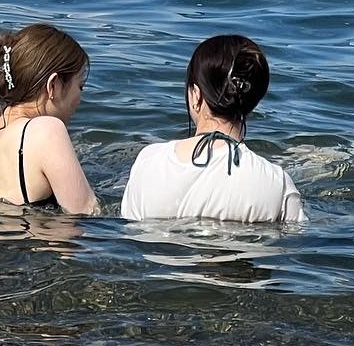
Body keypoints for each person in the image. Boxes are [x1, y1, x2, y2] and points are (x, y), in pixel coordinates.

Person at [121, 34, 306, 225]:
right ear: (253, 103)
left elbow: (128, 229)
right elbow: (297, 238)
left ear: (196, 96)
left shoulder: (148, 162)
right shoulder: (277, 184)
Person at [0, 23, 99, 214]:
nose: (80, 98)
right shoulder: (46, 132)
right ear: (53, 85)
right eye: (80, 86)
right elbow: (87, 213)